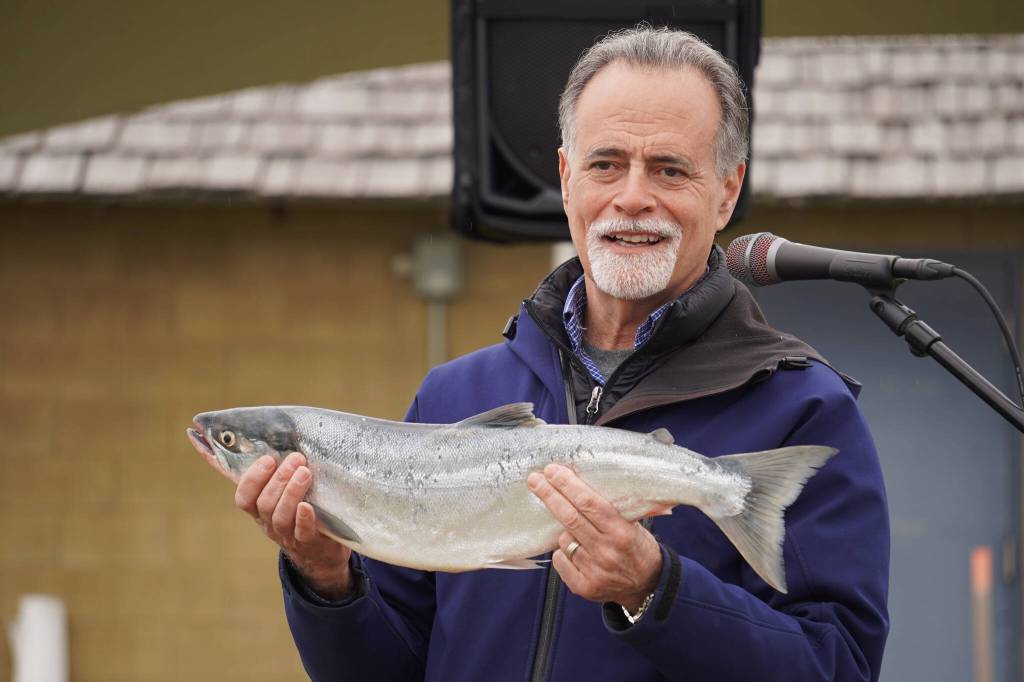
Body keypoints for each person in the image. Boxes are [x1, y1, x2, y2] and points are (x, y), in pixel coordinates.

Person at [229, 26, 889, 681]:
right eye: (606, 164)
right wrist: (325, 577)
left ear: (726, 190)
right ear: (567, 178)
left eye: (669, 169)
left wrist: (658, 592)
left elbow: (836, 669)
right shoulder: (452, 396)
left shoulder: (803, 408)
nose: (632, 196)